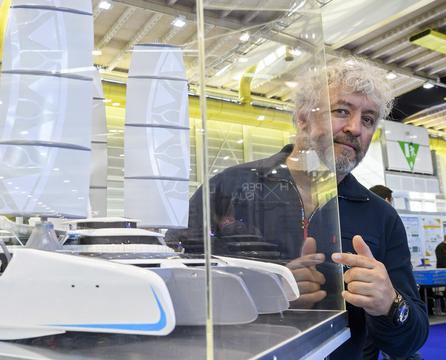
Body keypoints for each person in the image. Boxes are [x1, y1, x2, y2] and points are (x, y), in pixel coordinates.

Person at [166, 58, 428, 359]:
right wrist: (272, 295)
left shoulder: (381, 215)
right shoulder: (227, 188)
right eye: (341, 111)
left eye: (368, 119)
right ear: (303, 118)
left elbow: (411, 339)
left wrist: (391, 304)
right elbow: (175, 289)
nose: (355, 128)